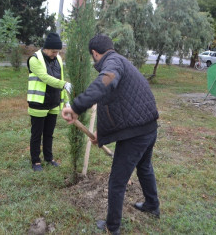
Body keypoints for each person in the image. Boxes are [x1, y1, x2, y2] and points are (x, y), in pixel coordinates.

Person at [62, 34, 160, 234]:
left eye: (92, 57)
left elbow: (105, 83)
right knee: (144, 167)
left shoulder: (113, 64)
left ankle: (112, 227)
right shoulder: (121, 61)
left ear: (95, 53)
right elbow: (116, 105)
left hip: (136, 134)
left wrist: (76, 106)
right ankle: (152, 205)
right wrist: (102, 133)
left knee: (117, 181)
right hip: (149, 127)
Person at [27, 32, 72, 172]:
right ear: (46, 48)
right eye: (53, 51)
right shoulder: (34, 60)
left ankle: (49, 158)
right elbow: (45, 77)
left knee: (49, 133)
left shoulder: (58, 59)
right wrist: (64, 84)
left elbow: (60, 77)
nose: (55, 54)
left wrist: (66, 101)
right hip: (38, 103)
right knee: (37, 134)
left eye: (58, 51)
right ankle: (36, 161)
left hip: (53, 102)